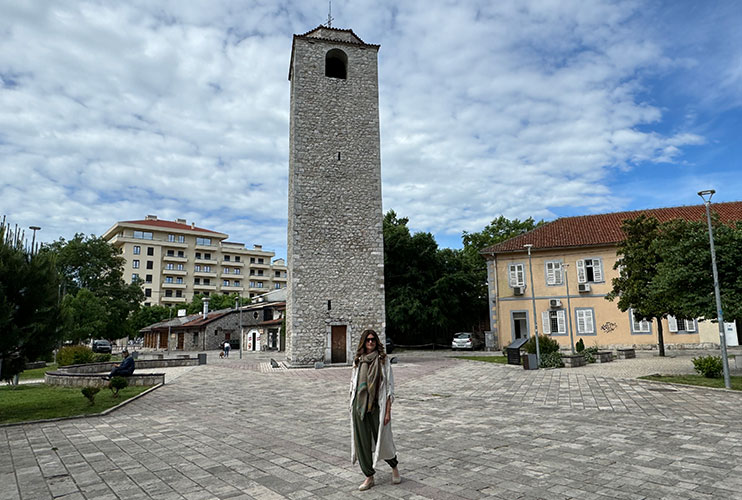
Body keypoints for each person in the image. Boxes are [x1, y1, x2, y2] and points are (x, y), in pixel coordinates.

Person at [349, 329, 401, 491]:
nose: (370, 342)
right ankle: (369, 476)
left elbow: (389, 388)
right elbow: (353, 384)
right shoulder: (358, 361)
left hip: (377, 405)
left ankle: (394, 467)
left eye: (373, 340)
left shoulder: (383, 360)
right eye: (367, 340)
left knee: (383, 440)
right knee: (361, 442)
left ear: (376, 341)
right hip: (359, 406)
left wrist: (387, 412)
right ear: (363, 343)